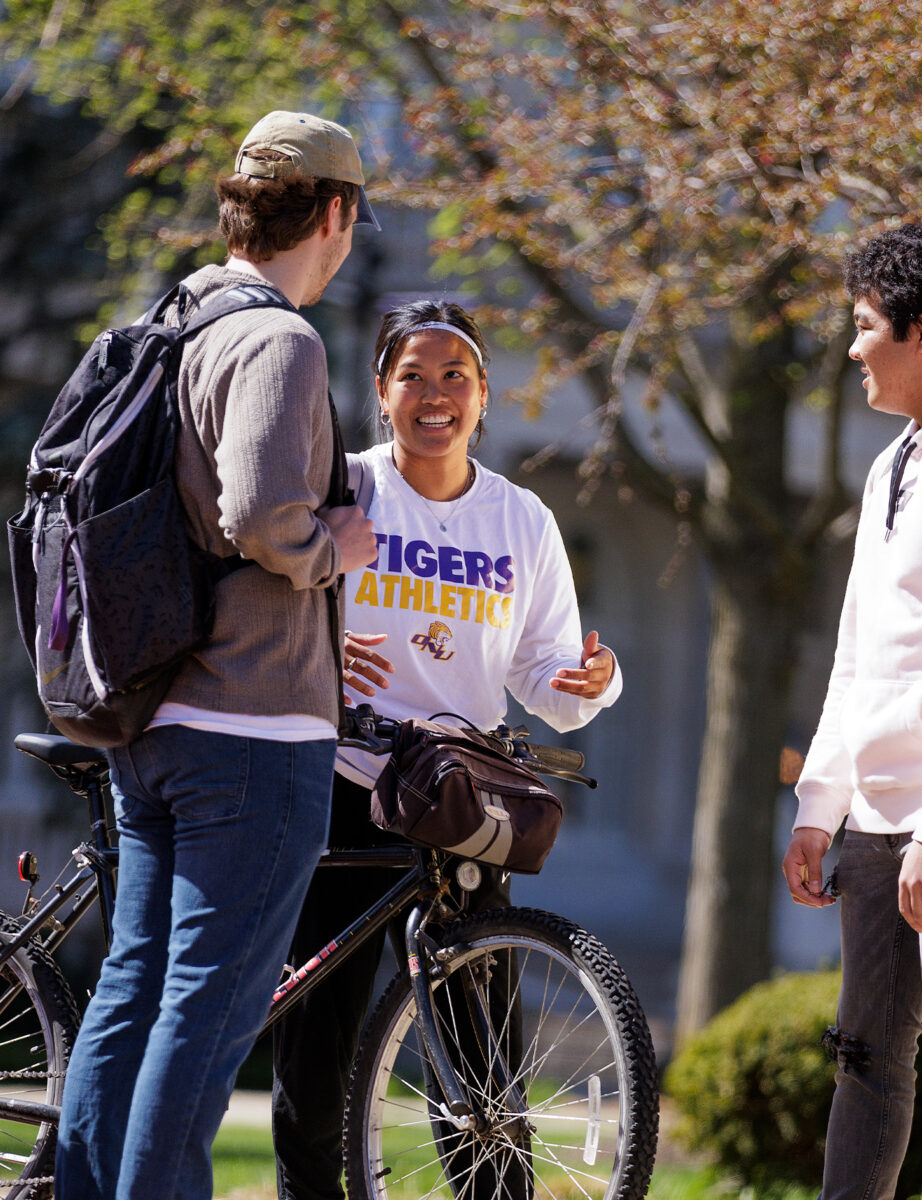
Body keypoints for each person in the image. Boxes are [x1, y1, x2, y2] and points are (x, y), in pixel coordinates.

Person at [54, 110, 380, 1200]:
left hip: (152, 715)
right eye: (350, 225)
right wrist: (331, 546)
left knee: (132, 994)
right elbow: (260, 515)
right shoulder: (278, 338)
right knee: (205, 1015)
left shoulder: (179, 312)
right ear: (331, 214)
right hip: (256, 726)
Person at [272, 299, 623, 1200]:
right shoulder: (339, 485)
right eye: (413, 378)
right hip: (347, 786)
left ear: (484, 395)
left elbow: (545, 669)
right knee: (320, 1047)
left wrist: (587, 683)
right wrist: (310, 642)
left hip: (458, 801)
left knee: (483, 1064)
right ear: (381, 395)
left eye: (454, 376)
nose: (435, 396)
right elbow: (263, 594)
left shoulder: (522, 520)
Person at [782, 223, 922, 1199]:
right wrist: (817, 806)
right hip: (872, 817)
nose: (850, 347)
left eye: (865, 326)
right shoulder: (890, 467)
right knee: (866, 1059)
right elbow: (859, 648)